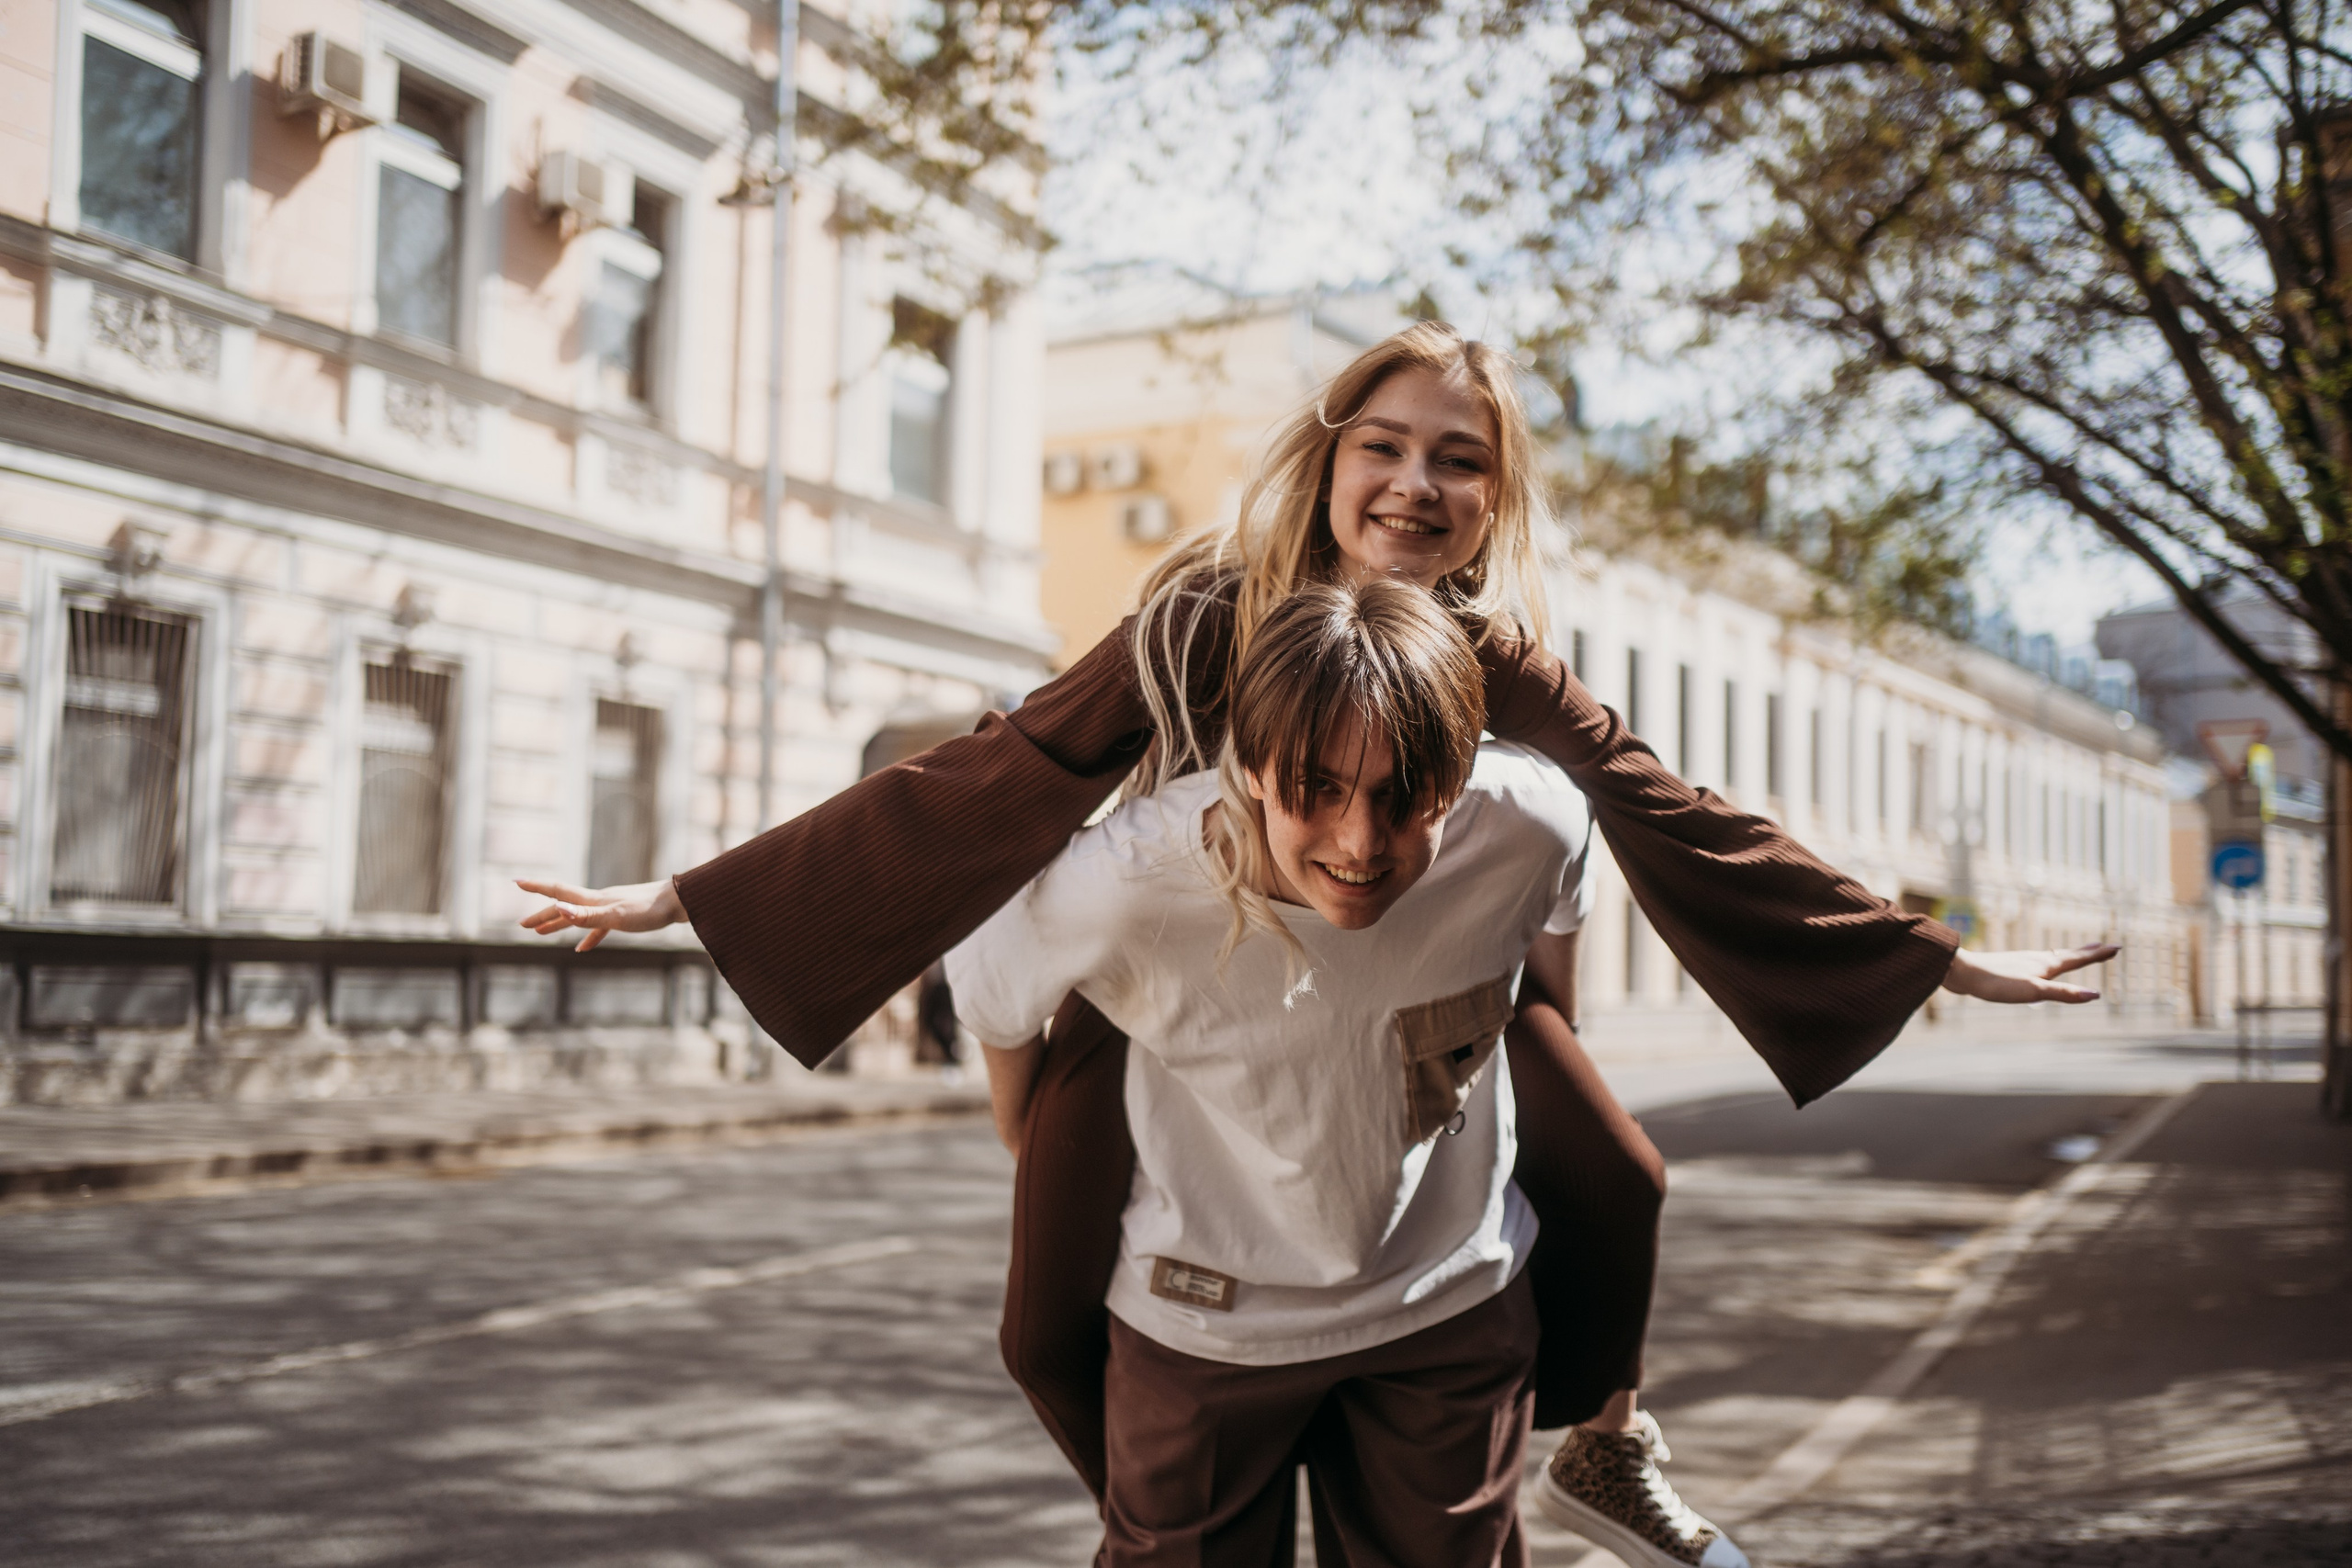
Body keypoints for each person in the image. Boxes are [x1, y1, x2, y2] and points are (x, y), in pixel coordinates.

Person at [515, 321, 2115, 1562]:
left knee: (1619, 1172)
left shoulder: (1491, 659)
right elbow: (1006, 769)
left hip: (1412, 987)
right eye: (1389, 445)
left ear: (1496, 499)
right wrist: (702, 891)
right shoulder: (1206, 613)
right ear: (1331, 456)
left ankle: (1606, 1435)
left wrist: (1918, 952)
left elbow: (1654, 800)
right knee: (1039, 1325)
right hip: (1172, 991)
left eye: (1461, 460)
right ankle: (1186, 1503)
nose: (1419, 485)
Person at [954, 577, 1618, 1565]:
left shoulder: (1528, 822)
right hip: (1202, 1322)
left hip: (1447, 1306)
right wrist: (1035, 1139)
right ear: (1251, 769)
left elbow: (1551, 957)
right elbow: (991, 982)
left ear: (1459, 775)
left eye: (1405, 796)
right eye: (1315, 790)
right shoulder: (1127, 884)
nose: (1359, 841)